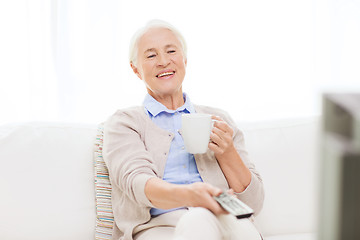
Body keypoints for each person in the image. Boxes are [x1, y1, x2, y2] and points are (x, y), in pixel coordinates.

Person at [103, 19, 265, 240]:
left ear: (184, 59)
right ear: (136, 69)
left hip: (225, 221)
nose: (163, 61)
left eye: (171, 51)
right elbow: (137, 184)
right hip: (158, 228)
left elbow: (252, 204)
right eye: (151, 56)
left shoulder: (219, 119)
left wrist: (227, 152)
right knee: (197, 219)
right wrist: (191, 196)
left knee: (234, 227)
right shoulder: (125, 122)